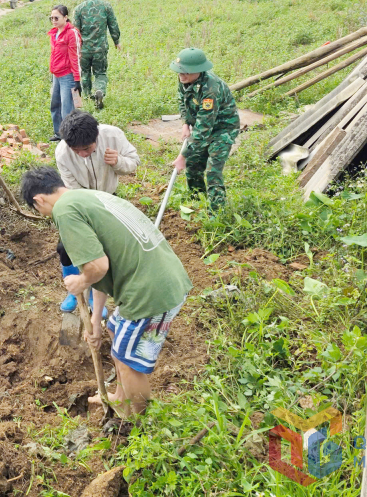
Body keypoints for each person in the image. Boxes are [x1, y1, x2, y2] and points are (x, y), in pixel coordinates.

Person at [19, 166, 192, 418]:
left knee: (127, 362)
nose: (45, 214)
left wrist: (80, 281)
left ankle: (140, 421)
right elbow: (103, 270)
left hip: (150, 292)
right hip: (161, 276)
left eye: (39, 210)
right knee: (114, 327)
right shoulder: (86, 197)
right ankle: (120, 398)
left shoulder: (65, 212)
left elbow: (97, 267)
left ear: (38, 200)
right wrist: (96, 321)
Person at [54, 110, 140, 313]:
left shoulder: (113, 136)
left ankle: (95, 293)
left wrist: (118, 161)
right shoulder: (62, 153)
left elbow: (134, 163)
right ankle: (74, 292)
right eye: (77, 151)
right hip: (80, 203)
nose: (82, 154)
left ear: (96, 137)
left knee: (105, 248)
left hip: (110, 199)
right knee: (65, 247)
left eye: (87, 149)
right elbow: (72, 189)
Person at [171, 47, 240, 213]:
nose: (182, 75)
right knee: (194, 164)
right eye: (180, 71)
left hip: (223, 129)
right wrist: (186, 123)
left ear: (198, 70)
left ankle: (216, 213)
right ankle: (197, 201)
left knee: (212, 170)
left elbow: (203, 130)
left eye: (186, 72)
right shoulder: (184, 80)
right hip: (204, 125)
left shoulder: (211, 89)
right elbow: (183, 101)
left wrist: (182, 156)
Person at [73, 0, 120, 109]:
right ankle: (99, 91)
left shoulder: (78, 9)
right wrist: (117, 41)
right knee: (100, 73)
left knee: (85, 74)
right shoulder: (105, 6)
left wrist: (75, 49)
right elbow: (113, 25)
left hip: (84, 50)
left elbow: (75, 31)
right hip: (100, 49)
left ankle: (88, 97)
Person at [48, 5, 82, 142]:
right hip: (56, 74)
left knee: (67, 108)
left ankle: (69, 137)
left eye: (57, 18)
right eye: (51, 18)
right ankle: (59, 134)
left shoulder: (71, 33)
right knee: (55, 104)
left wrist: (77, 79)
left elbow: (75, 56)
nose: (54, 21)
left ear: (65, 17)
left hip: (67, 75)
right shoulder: (54, 33)